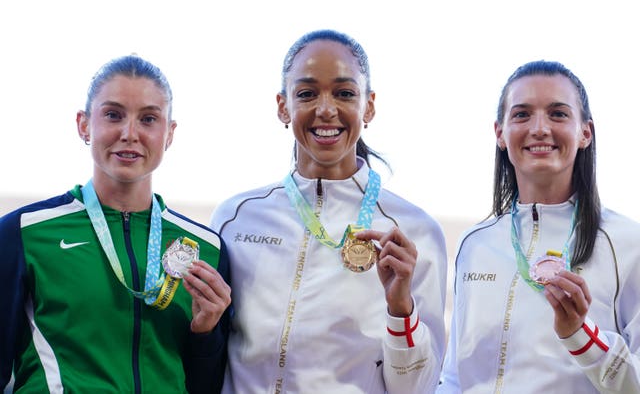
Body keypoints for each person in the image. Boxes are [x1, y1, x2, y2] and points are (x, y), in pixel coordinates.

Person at [209, 29, 447, 393]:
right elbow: (211, 351)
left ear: (368, 105)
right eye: (306, 93)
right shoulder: (235, 218)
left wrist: (401, 309)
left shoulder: (413, 231)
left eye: (344, 93)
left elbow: (417, 388)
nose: (325, 109)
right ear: (283, 106)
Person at [0, 55, 231, 393]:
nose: (129, 133)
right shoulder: (24, 234)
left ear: (169, 133)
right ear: (83, 124)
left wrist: (206, 333)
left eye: (149, 119)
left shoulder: (205, 250)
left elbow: (205, 384)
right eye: (113, 115)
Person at [438, 60, 640, 393]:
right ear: (500, 133)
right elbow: (456, 376)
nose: (540, 128)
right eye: (522, 114)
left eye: (558, 114)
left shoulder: (628, 244)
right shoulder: (474, 244)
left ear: (585, 132)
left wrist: (581, 335)